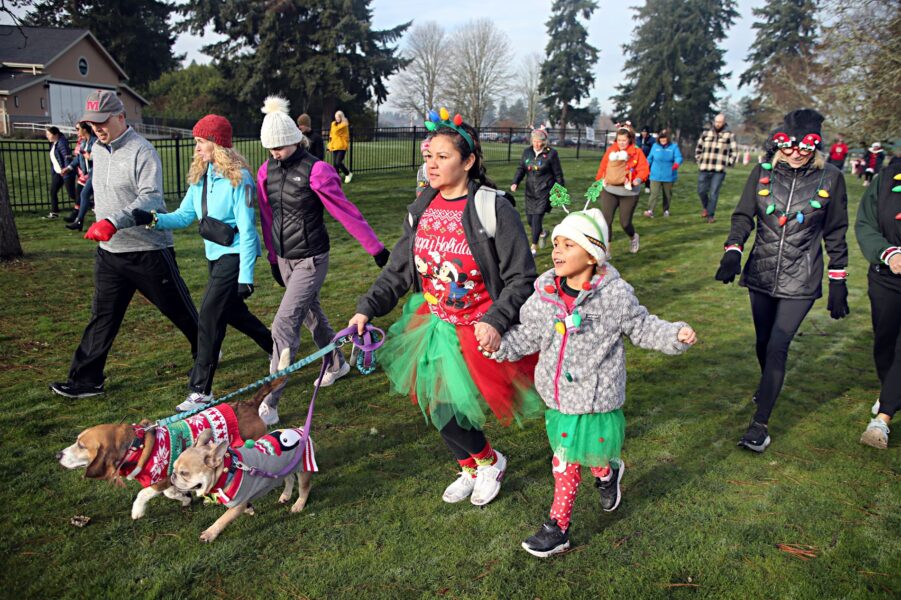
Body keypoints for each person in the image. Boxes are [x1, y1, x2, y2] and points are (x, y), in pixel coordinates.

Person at [349, 109, 541, 507]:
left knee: (451, 407)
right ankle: (472, 466)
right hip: (433, 323)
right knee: (436, 403)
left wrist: (496, 319)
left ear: (468, 161)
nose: (432, 164)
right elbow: (399, 269)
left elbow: (523, 277)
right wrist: (367, 308)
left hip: (480, 328)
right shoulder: (423, 206)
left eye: (443, 157)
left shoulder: (493, 208)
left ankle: (489, 461)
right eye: (429, 156)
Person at [487, 207, 696, 557]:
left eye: (569, 244)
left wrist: (676, 334)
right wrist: (499, 346)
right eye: (556, 243)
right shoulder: (545, 293)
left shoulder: (614, 296)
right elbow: (528, 336)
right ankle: (607, 473)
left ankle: (558, 527)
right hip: (558, 397)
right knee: (584, 454)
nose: (557, 251)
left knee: (565, 461)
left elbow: (642, 327)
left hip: (595, 399)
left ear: (592, 254)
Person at [714, 109, 849, 453]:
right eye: (790, 146)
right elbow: (744, 215)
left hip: (801, 278)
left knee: (778, 345)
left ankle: (760, 424)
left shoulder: (830, 178)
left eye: (806, 147)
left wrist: (838, 279)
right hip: (761, 272)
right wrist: (733, 249)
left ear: (816, 147)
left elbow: (835, 231)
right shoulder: (763, 173)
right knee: (763, 342)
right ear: (779, 144)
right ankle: (767, 385)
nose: (796, 152)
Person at [50, 90, 199, 398]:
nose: (98, 129)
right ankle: (86, 380)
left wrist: (114, 221)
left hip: (148, 250)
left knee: (178, 309)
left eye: (103, 122)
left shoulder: (142, 151)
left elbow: (151, 198)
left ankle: (207, 353)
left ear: (120, 117)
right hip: (110, 254)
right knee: (102, 316)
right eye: (92, 124)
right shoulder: (98, 148)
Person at [256, 96, 389, 425]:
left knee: (284, 325)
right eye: (270, 148)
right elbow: (267, 216)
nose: (275, 154)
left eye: (281, 147)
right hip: (285, 259)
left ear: (294, 140)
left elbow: (346, 212)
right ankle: (336, 364)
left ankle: (269, 400)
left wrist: (375, 248)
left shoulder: (317, 170)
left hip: (311, 259)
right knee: (312, 317)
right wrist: (273, 258)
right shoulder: (265, 171)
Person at [129, 114, 272, 411]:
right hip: (214, 254)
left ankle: (200, 390)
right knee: (231, 311)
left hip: (234, 255)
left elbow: (247, 231)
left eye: (200, 142)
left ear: (217, 144)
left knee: (207, 316)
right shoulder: (201, 177)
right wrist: (152, 219)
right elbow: (183, 216)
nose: (196, 148)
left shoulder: (240, 179)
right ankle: (276, 347)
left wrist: (246, 276)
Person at [855, 155, 901, 448]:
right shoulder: (885, 179)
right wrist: (889, 253)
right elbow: (865, 224)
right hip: (886, 277)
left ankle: (881, 420)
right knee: (884, 341)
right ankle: (890, 391)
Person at [595, 125, 649, 255]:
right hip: (610, 189)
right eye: (619, 140)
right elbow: (603, 167)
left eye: (624, 140)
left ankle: (633, 237)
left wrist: (639, 179)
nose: (621, 143)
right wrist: (600, 181)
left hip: (629, 192)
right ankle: (606, 250)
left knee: (625, 223)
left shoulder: (637, 152)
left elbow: (644, 168)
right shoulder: (611, 152)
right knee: (606, 220)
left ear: (629, 140)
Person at [511, 128, 565, 255]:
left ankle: (533, 247)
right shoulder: (527, 152)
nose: (537, 144)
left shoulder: (552, 154)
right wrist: (515, 182)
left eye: (539, 141)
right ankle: (542, 233)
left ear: (544, 141)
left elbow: (558, 174)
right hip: (530, 191)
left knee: (536, 218)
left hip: (545, 190)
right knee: (530, 219)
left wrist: (559, 191)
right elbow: (521, 169)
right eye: (534, 141)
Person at [695, 113, 738, 223]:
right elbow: (698, 148)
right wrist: (699, 159)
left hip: (719, 170)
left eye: (720, 122)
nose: (718, 124)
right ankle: (706, 207)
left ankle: (710, 215)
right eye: (716, 122)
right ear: (714, 122)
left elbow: (734, 151)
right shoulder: (706, 133)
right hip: (704, 167)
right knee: (701, 191)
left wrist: (728, 162)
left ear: (724, 123)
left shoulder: (729, 135)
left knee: (714, 193)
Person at [62, 122, 97, 232]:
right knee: (84, 194)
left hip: (97, 172)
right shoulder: (83, 142)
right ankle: (79, 221)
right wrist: (69, 167)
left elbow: (102, 155)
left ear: (85, 129)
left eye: (78, 129)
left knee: (85, 194)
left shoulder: (96, 141)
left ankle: (79, 221)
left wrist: (90, 157)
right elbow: (79, 158)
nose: (77, 131)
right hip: (89, 173)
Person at [644, 129, 682, 218]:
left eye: (664, 139)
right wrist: (645, 166)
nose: (663, 141)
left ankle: (666, 210)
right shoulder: (655, 146)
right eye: (661, 139)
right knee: (654, 193)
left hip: (669, 175)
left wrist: (676, 163)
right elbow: (649, 158)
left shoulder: (674, 147)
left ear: (668, 139)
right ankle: (650, 210)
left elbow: (678, 157)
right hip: (655, 175)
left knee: (667, 194)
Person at [45, 126, 76, 219]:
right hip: (58, 173)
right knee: (53, 191)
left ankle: (91, 204)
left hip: (66, 172)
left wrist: (66, 169)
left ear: (55, 134)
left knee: (72, 194)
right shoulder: (54, 143)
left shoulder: (61, 143)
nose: (47, 136)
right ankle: (54, 212)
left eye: (49, 134)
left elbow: (67, 157)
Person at [327, 110, 352, 183]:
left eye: (338, 117)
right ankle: (337, 178)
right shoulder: (334, 124)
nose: (336, 119)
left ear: (341, 117)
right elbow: (331, 136)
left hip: (342, 145)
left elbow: (336, 131)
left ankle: (348, 174)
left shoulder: (344, 125)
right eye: (335, 117)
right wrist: (329, 146)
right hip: (335, 145)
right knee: (335, 164)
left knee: (338, 162)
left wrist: (333, 125)